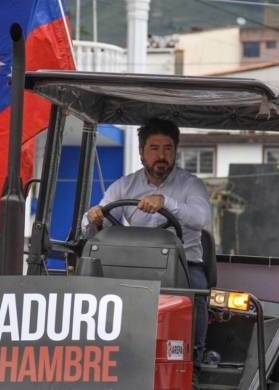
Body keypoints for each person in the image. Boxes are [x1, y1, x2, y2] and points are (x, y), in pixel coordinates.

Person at [82, 117, 211, 373]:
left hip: (183, 267)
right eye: (154, 148)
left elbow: (201, 218)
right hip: (131, 266)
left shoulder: (190, 185)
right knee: (92, 288)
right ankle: (97, 358)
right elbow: (100, 224)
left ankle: (193, 361)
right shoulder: (124, 185)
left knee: (196, 292)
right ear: (141, 152)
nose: (161, 156)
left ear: (175, 152)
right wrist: (94, 217)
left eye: (167, 148)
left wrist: (166, 202)